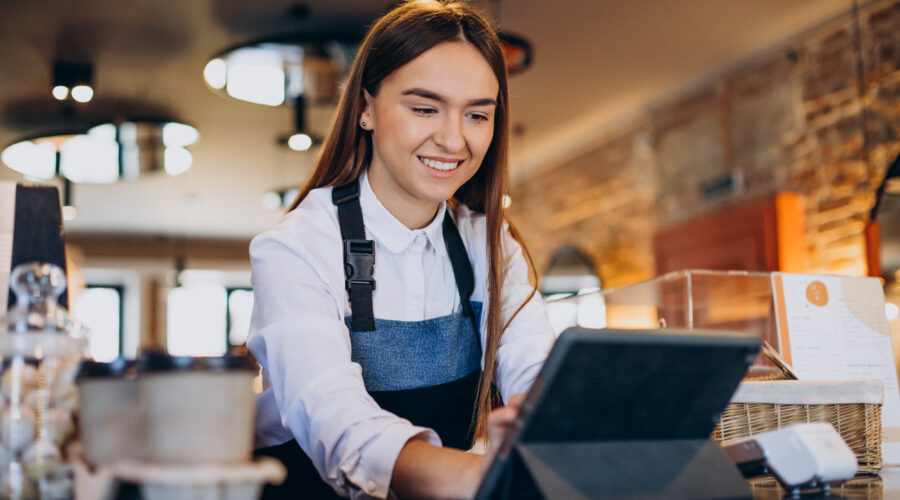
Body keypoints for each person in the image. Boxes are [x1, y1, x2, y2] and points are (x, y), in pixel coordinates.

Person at [247, 1, 556, 498]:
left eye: (477, 114)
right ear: (365, 108)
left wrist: (544, 420)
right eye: (424, 108)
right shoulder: (294, 247)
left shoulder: (489, 242)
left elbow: (535, 368)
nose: (453, 140)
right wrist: (478, 479)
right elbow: (335, 419)